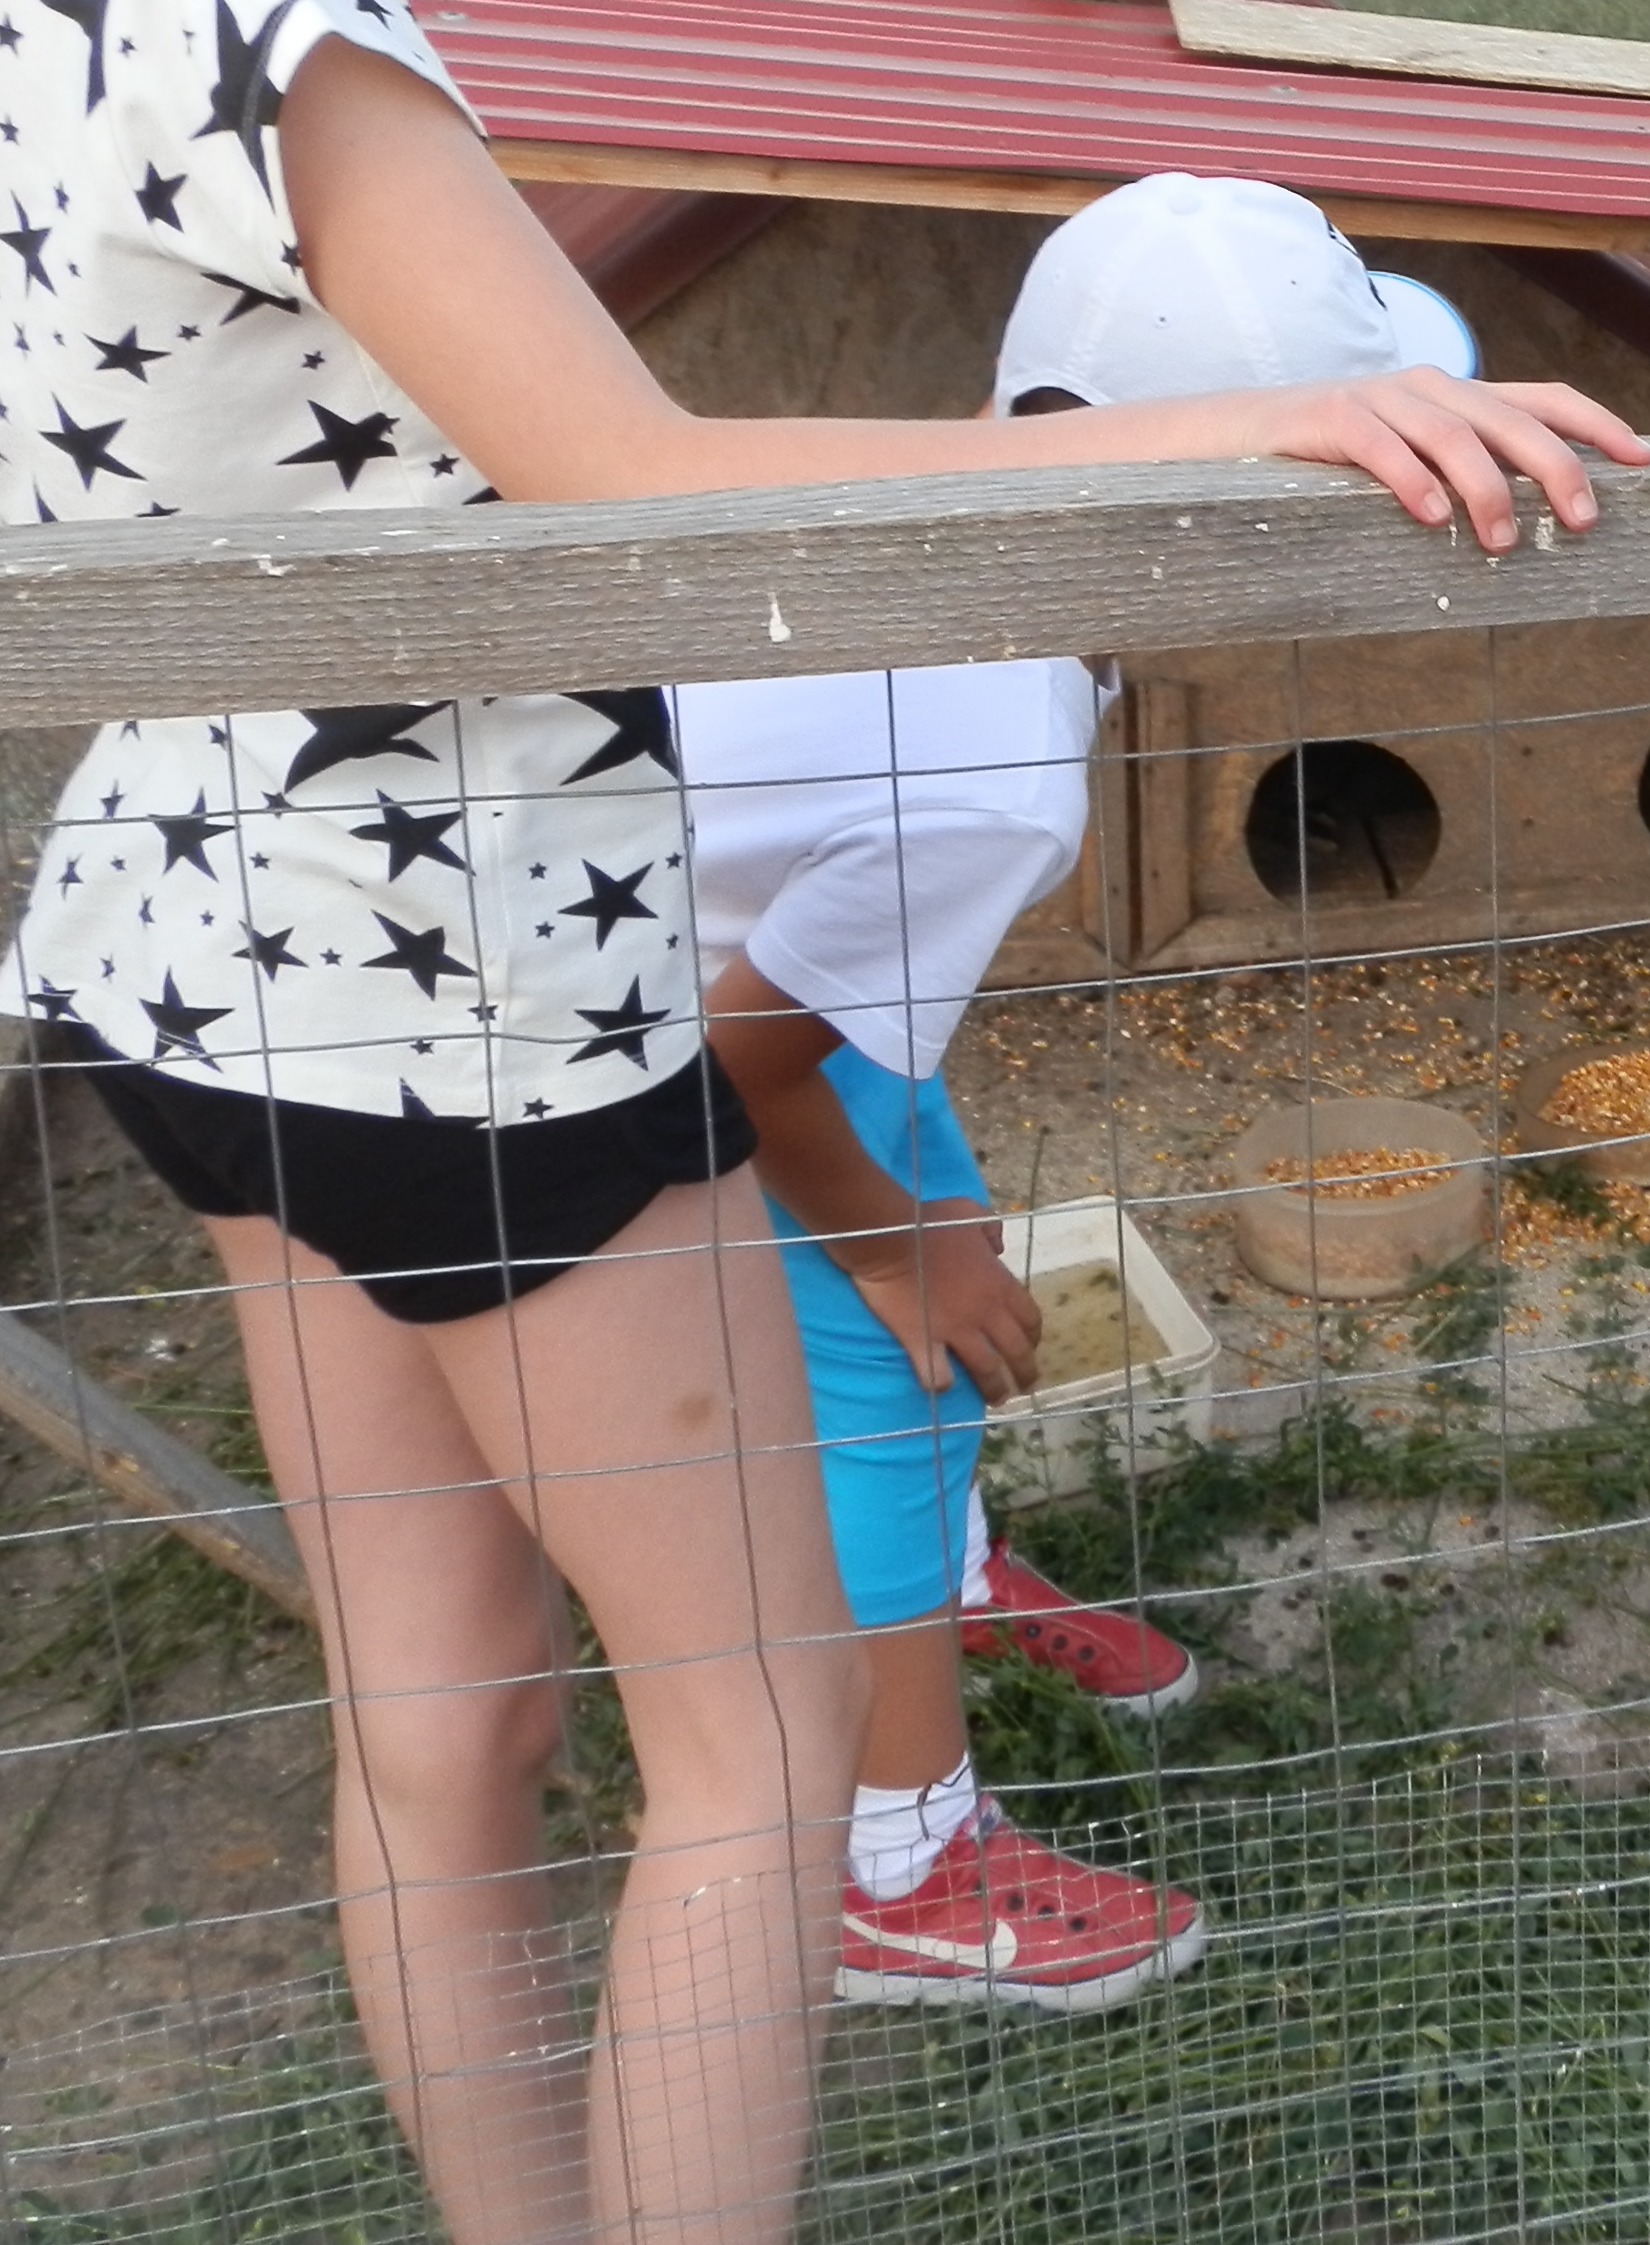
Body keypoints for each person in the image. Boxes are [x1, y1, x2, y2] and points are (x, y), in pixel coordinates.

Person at [0, 0, 1643, 2241]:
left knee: (437, 1724)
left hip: (184, 949)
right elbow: (627, 475)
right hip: (472, 974)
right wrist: (1246, 434)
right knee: (767, 1737)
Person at [678, 175, 1480, 2014]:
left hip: (740, 967)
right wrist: (892, 1251)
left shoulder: (978, 523)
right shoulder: (997, 772)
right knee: (881, 1374)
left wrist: (925, 1200)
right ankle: (897, 1858)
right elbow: (736, 1061)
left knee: (936, 1209)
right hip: (627, 1036)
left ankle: (944, 1575)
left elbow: (813, 990)